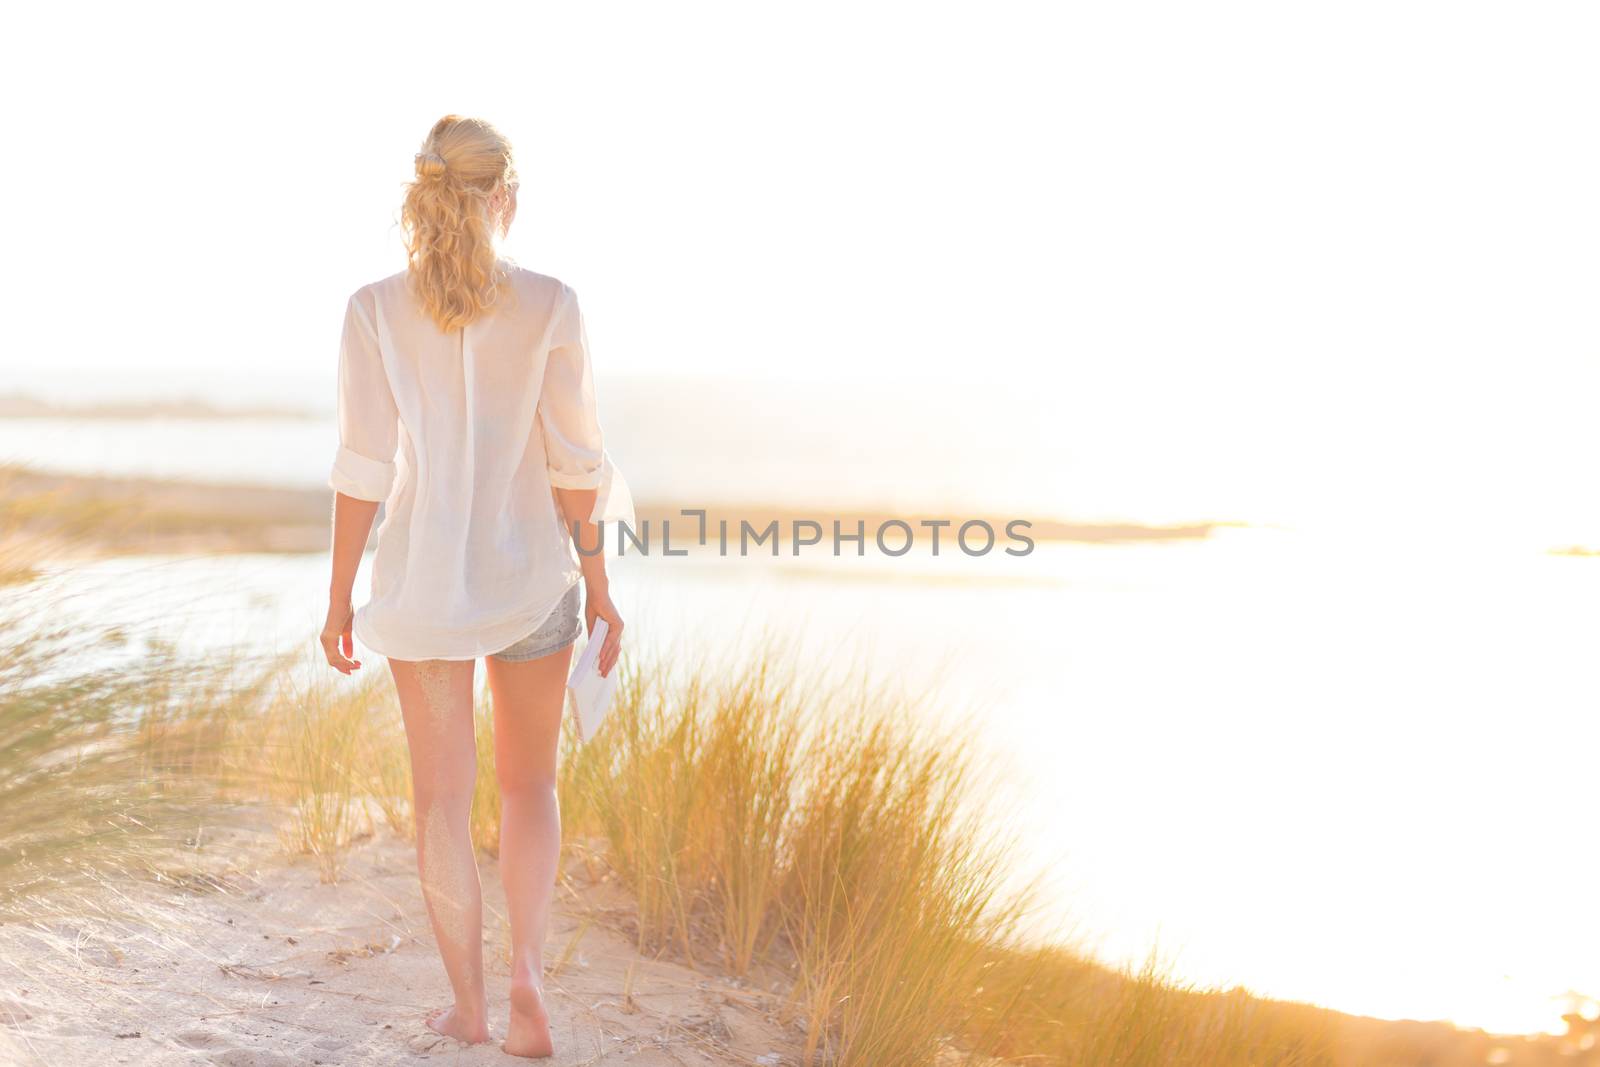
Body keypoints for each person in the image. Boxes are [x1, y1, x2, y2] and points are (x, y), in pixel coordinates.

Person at [318, 114, 629, 1059]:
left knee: (440, 806)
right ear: (506, 197)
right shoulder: (550, 304)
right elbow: (578, 464)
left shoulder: (374, 308)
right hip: (534, 583)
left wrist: (338, 599)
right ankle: (528, 972)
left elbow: (364, 469)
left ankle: (470, 1009)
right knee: (531, 785)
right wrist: (600, 584)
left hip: (419, 593)